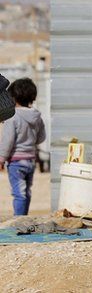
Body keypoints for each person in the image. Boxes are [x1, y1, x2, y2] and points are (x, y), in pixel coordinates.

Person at [0, 78, 46, 215]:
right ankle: (24, 217)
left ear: (13, 97)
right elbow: (41, 138)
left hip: (16, 162)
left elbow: (8, 140)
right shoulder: (37, 116)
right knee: (27, 192)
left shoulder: (12, 117)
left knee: (19, 193)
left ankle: (18, 220)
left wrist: (1, 159)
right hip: (31, 160)